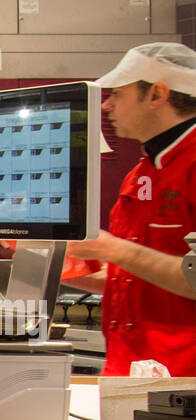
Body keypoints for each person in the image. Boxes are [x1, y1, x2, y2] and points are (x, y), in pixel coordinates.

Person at [64, 43, 196, 376]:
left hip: (182, 386)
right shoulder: (141, 172)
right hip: (128, 374)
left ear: (157, 94)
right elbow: (132, 277)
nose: (107, 105)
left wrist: (113, 248)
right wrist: (56, 259)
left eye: (117, 95)